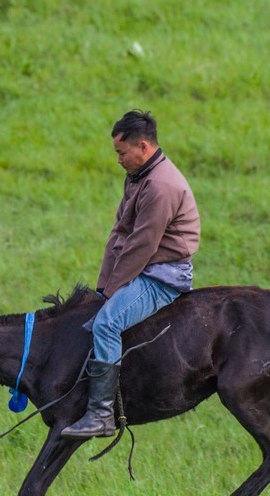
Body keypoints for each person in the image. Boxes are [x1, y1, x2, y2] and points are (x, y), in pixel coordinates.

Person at [61, 110, 201, 439]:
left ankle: (101, 415)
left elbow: (141, 245)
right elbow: (120, 234)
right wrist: (102, 288)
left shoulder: (162, 186)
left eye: (121, 152)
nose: (118, 160)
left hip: (163, 274)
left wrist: (110, 293)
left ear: (143, 147)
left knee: (107, 323)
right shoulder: (138, 177)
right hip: (145, 265)